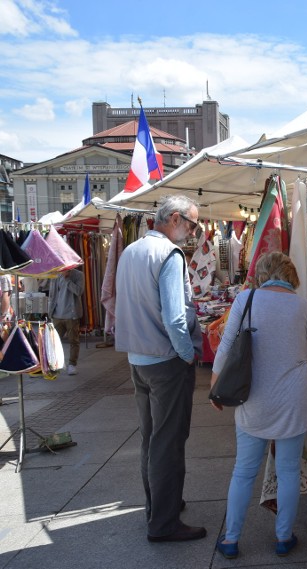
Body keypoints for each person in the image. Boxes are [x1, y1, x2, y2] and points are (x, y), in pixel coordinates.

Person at [210, 251, 307, 560]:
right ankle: (283, 538)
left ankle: (231, 539)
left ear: (262, 275)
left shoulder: (245, 300)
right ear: (291, 277)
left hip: (253, 399)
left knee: (243, 472)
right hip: (294, 400)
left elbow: (225, 346)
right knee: (288, 470)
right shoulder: (304, 307)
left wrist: (215, 388)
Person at [114, 194, 206, 543]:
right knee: (167, 442)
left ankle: (159, 506)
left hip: (138, 358)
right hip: (164, 360)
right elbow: (175, 316)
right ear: (176, 219)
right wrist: (186, 354)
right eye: (192, 224)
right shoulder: (169, 254)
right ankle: (163, 522)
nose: (193, 231)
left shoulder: (131, 251)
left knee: (151, 439)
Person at [48, 268, 84, 375]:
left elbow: (79, 291)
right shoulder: (55, 275)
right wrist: (50, 312)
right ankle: (53, 365)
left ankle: (72, 364)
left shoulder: (78, 275)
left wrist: (67, 279)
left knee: (73, 340)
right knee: (53, 342)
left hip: (71, 315)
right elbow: (52, 294)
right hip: (57, 314)